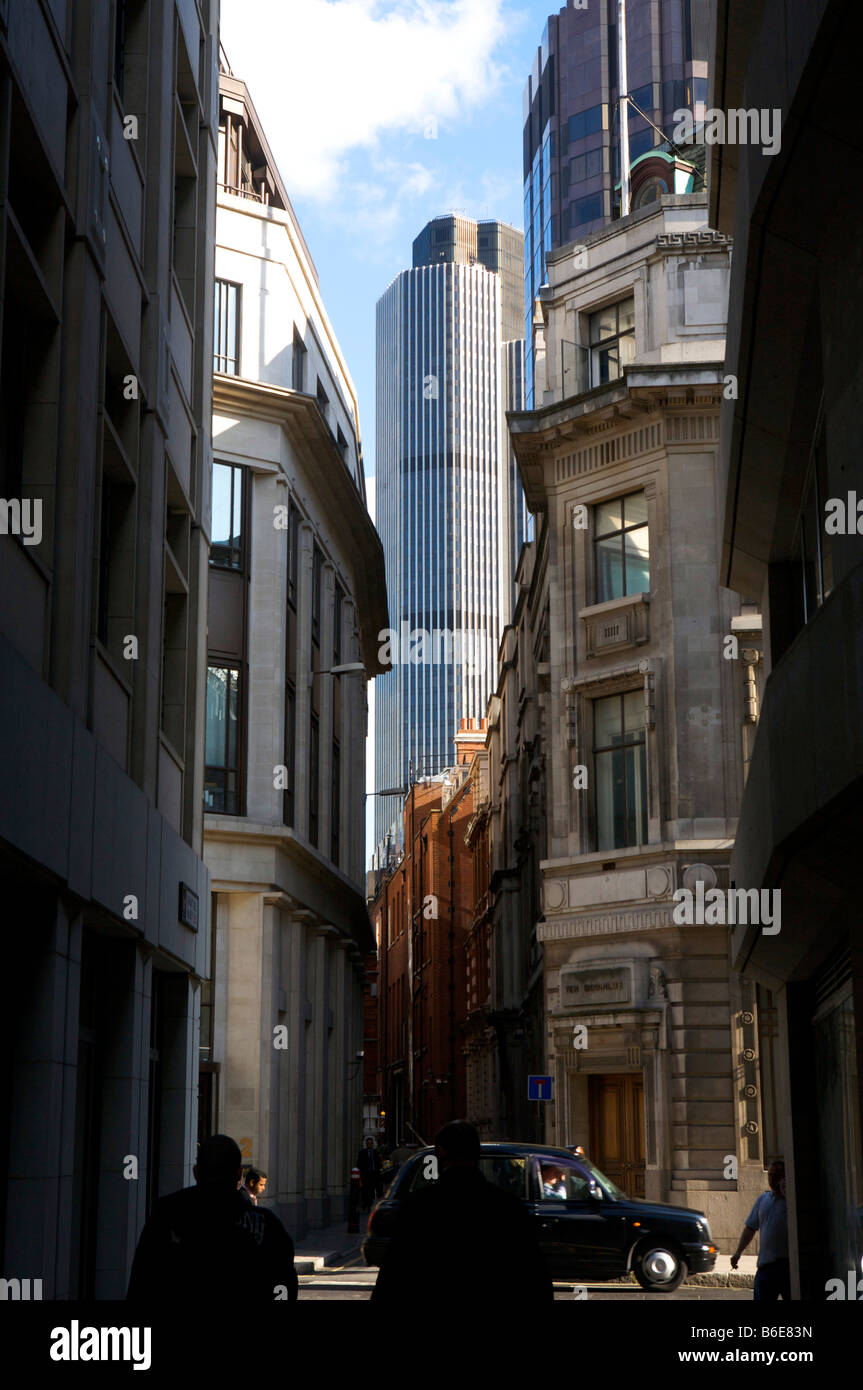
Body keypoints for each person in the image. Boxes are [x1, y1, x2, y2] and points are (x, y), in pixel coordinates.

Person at [371, 1119, 554, 1306]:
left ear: (441, 1153)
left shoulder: (418, 1207)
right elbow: (537, 1281)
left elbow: (391, 1279)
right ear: (479, 1153)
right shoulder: (509, 1207)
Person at [127, 1135, 298, 1303]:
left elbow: (142, 1283)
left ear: (196, 1172)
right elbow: (284, 1285)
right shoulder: (266, 1225)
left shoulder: (167, 1215)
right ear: (239, 1174)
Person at [730, 1159, 790, 1300]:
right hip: (766, 1266)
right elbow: (750, 1228)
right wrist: (738, 1252)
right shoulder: (763, 1199)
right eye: (770, 1175)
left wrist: (787, 1193)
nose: (772, 1179)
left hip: (787, 1266)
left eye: (777, 1176)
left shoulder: (791, 1201)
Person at [356, 1138, 382, 1211]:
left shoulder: (376, 1152)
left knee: (372, 1190)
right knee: (365, 1190)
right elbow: (359, 1163)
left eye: (371, 1143)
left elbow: (378, 1163)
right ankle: (365, 1203)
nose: (369, 1144)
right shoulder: (362, 1152)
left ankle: (369, 1204)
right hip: (365, 1174)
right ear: (366, 1144)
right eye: (368, 1143)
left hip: (374, 1174)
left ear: (372, 1144)